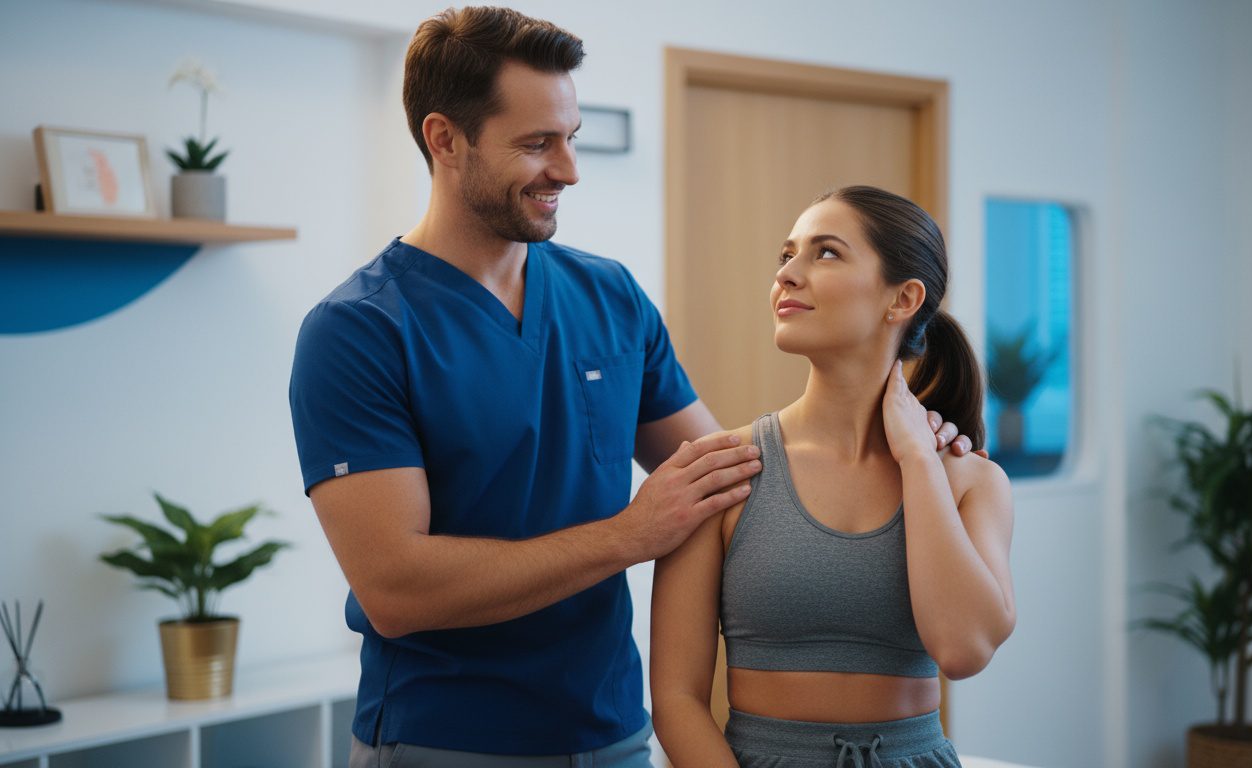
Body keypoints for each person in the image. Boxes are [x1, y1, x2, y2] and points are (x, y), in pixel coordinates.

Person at [289, 7, 977, 766]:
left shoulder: (609, 297)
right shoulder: (358, 331)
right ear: (445, 139)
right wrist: (630, 535)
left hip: (612, 734)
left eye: (571, 137)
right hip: (446, 739)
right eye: (536, 143)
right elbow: (396, 590)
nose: (569, 169)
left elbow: (731, 477)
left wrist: (903, 437)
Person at [650, 186, 1015, 767]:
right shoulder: (721, 470)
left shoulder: (969, 480)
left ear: (903, 299)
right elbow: (676, 700)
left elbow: (963, 649)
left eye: (825, 253)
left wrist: (919, 460)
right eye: (786, 255)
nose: (787, 275)